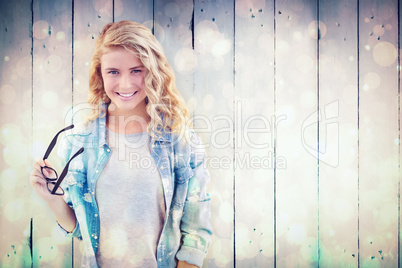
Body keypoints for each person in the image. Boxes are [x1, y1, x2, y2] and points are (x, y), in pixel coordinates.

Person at [29, 20, 212, 268]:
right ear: (100, 73)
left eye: (137, 70)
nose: (125, 84)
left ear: (153, 71)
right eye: (113, 72)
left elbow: (195, 236)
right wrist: (53, 199)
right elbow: (82, 230)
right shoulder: (78, 141)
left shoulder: (181, 141)